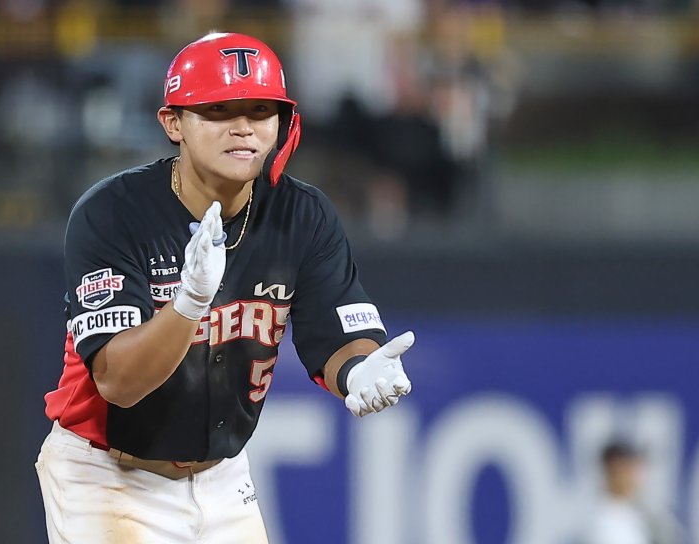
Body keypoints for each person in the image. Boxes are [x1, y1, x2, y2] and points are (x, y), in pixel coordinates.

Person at [36, 32, 415, 543]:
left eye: (260, 110)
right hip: (108, 473)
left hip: (222, 476)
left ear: (283, 124)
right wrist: (188, 303)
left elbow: (336, 330)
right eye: (218, 110)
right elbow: (117, 383)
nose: (243, 128)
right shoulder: (113, 214)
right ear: (174, 123)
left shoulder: (302, 215)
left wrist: (359, 369)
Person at [582, 440, 681, 544]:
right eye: (628, 467)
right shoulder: (603, 522)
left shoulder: (641, 511)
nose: (635, 474)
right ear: (612, 470)